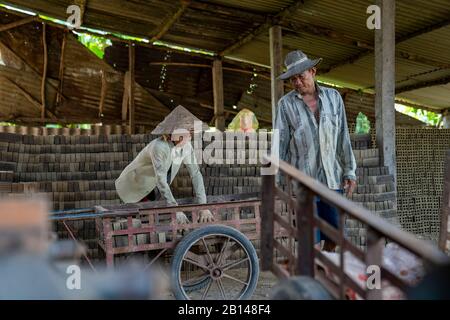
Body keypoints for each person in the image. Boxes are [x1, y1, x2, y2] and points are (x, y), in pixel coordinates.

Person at [275, 50, 357, 252]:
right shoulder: (285, 105)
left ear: (313, 71)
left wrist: (350, 171)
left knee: (336, 236)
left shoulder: (334, 98)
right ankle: (314, 276)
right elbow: (280, 144)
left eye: (301, 77)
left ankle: (325, 269)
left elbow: (343, 138)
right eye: (293, 79)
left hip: (332, 179)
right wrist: (276, 181)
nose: (297, 82)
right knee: (310, 240)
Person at [115, 105, 214, 225]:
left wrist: (203, 206)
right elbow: (161, 180)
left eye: (191, 132)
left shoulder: (186, 146)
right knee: (132, 223)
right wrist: (175, 209)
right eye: (188, 132)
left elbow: (196, 174)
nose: (191, 136)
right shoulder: (158, 147)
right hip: (134, 184)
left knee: (147, 220)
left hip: (153, 188)